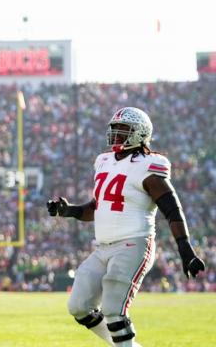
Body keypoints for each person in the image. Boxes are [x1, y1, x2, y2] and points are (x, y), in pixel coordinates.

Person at [47, 107, 205, 347]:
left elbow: (172, 209)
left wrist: (185, 247)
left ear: (140, 133)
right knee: (78, 305)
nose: (116, 135)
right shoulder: (104, 161)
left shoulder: (149, 165)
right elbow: (97, 207)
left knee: (113, 309)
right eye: (114, 129)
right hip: (103, 247)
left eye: (123, 130)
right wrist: (68, 211)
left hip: (134, 244)